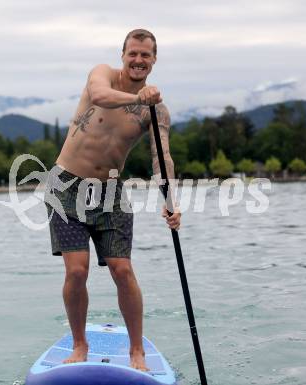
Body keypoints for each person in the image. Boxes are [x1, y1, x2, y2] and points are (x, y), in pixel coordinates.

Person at [45, 28, 181, 371]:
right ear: (123, 55)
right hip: (66, 186)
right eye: (133, 53)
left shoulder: (157, 111)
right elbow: (100, 96)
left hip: (111, 193)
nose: (138, 60)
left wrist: (171, 200)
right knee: (77, 271)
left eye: (145, 55)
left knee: (122, 270)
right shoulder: (102, 74)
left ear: (154, 61)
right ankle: (79, 345)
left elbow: (161, 157)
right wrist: (139, 98)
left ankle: (137, 351)